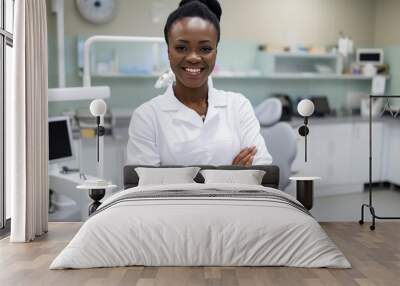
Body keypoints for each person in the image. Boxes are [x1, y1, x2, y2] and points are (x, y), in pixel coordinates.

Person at [127, 0, 272, 166]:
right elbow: (146, 187)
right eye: (181, 48)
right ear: (168, 52)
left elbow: (262, 170)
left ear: (216, 52)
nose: (193, 57)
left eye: (205, 49)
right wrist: (231, 175)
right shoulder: (147, 117)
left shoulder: (238, 106)